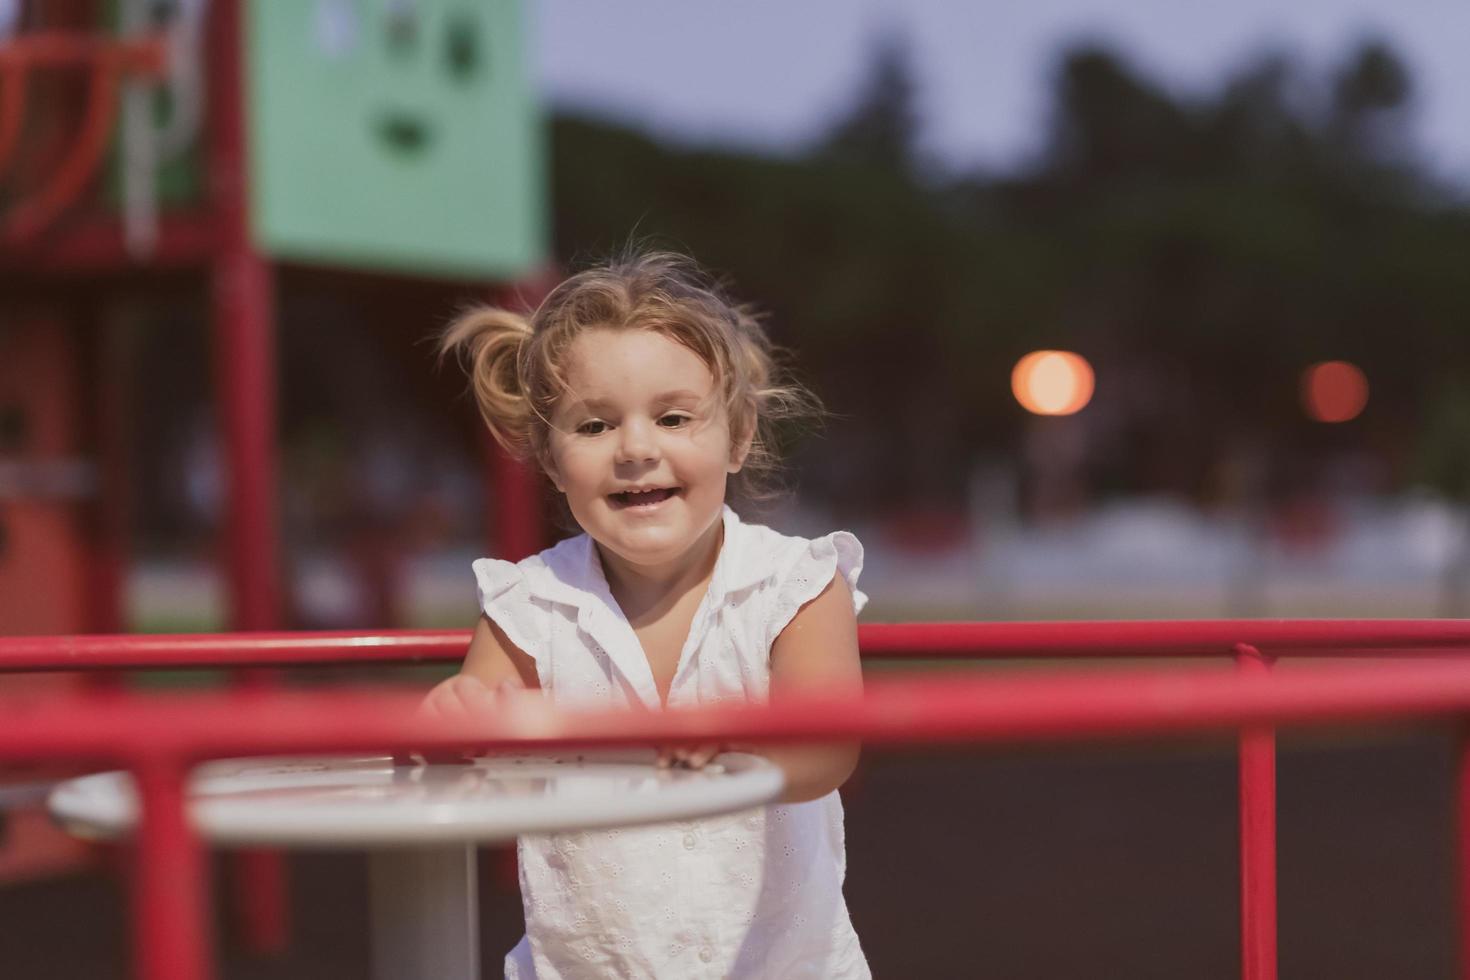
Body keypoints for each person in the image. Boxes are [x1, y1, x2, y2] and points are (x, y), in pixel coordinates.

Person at [422, 250, 869, 978]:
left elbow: (826, 749)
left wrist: (741, 741)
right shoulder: (529, 604)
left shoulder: (795, 584)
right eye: (594, 427)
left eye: (672, 418)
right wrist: (465, 722)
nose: (635, 448)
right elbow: (477, 756)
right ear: (551, 457)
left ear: (739, 435)